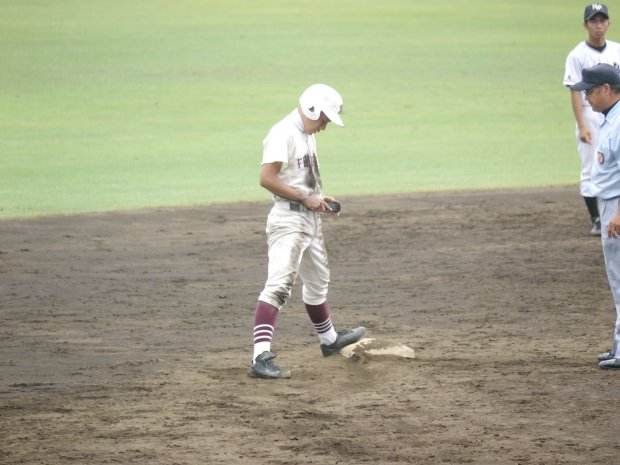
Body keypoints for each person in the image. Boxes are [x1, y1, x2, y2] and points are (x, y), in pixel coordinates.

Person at [249, 83, 366, 379]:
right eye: (324, 120)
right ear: (312, 109)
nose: (324, 126)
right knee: (279, 285)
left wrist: (317, 199)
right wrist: (303, 198)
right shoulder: (283, 132)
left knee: (318, 282)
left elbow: (300, 180)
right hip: (288, 221)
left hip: (309, 219)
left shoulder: (306, 133)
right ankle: (260, 357)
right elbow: (266, 178)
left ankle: (329, 341)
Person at [571, 63, 620, 369]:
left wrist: (618, 213)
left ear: (606, 89)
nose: (586, 96)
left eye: (589, 90)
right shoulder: (610, 118)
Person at [563, 3, 620, 236]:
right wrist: (582, 125)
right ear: (585, 24)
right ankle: (596, 218)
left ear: (608, 23)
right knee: (591, 166)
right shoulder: (577, 55)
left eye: (602, 20)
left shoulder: (617, 49)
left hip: (614, 110)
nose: (598, 25)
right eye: (593, 21)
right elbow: (576, 91)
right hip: (589, 112)